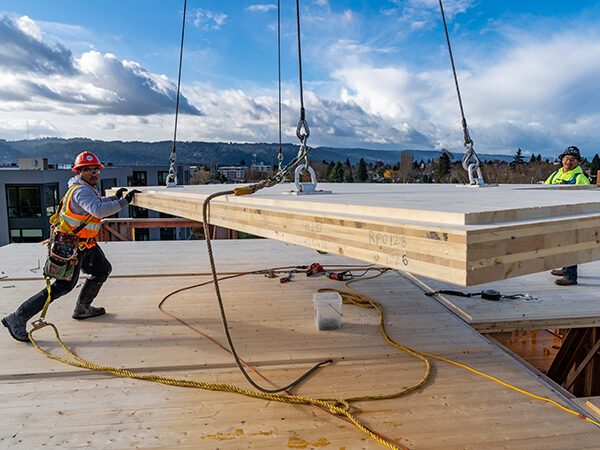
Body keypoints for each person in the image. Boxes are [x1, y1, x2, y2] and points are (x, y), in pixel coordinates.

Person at [2, 151, 140, 342]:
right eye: (88, 170)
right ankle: (17, 317)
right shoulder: (81, 191)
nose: (94, 173)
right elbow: (98, 210)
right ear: (79, 172)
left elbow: (96, 203)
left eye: (96, 170)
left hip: (84, 245)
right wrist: (124, 202)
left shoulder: (85, 188)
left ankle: (83, 308)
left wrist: (113, 199)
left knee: (102, 270)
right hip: (69, 247)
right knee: (62, 287)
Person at [545, 146, 590, 286]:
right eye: (566, 158)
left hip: (572, 216)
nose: (568, 162)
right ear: (562, 159)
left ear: (577, 162)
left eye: (572, 159)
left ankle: (570, 276)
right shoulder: (555, 175)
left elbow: (587, 199)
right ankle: (565, 268)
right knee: (560, 242)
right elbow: (541, 191)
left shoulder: (580, 178)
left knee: (570, 244)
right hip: (557, 214)